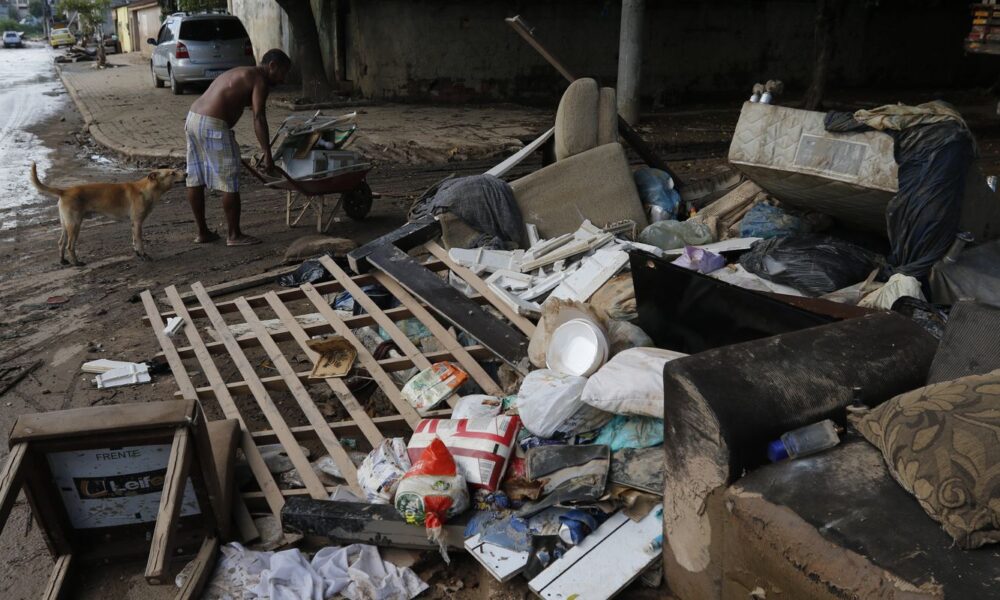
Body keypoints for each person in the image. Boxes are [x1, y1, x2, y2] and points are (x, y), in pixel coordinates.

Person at [184, 48, 291, 246]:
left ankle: (202, 232)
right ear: (272, 66)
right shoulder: (259, 80)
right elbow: (258, 117)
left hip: (193, 118)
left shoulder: (242, 71)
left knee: (195, 177)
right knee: (229, 179)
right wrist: (267, 154)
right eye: (282, 73)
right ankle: (234, 235)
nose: (283, 80)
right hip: (213, 125)